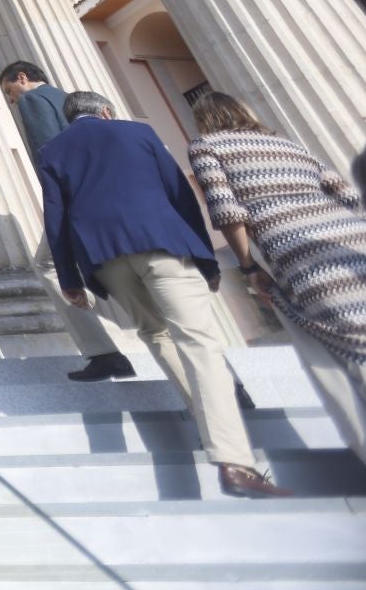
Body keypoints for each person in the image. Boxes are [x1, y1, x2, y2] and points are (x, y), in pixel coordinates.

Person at [38, 90, 289, 499]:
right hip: (163, 243)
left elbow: (56, 217)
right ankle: (233, 462)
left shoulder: (52, 150)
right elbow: (179, 194)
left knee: (157, 335)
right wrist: (205, 259)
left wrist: (69, 276)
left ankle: (208, 424)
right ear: (105, 111)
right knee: (199, 343)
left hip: (106, 259)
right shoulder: (139, 133)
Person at [187, 94, 366, 480]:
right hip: (355, 240)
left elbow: (228, 211)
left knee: (338, 352)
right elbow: (347, 194)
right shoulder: (288, 144)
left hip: (295, 249)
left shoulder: (206, 145)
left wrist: (248, 267)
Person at [0, 59, 140, 384]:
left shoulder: (34, 100)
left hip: (76, 199)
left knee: (47, 266)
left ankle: (104, 351)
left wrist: (59, 205)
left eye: (10, 91)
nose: (11, 100)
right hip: (109, 197)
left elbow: (52, 152)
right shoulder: (70, 99)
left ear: (22, 78)